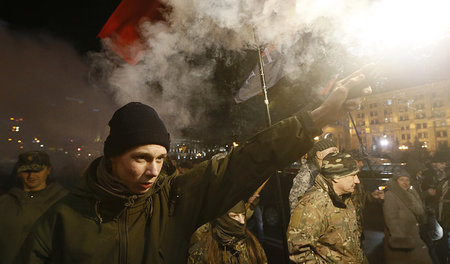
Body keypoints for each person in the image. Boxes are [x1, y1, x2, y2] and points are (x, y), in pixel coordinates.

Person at [16, 64, 374, 263]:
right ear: (112, 157)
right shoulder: (63, 218)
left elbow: (245, 160)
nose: (153, 171)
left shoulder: (173, 200)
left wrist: (312, 120)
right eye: (140, 158)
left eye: (159, 158)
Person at [287, 152, 364, 263]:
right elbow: (300, 253)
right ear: (336, 177)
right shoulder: (312, 205)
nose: (357, 180)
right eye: (353, 175)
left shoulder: (345, 198)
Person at [0, 151, 68, 264]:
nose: (31, 176)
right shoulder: (4, 203)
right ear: (18, 172)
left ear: (48, 170)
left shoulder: (64, 203)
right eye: (26, 171)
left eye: (37, 170)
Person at [187, 198, 267, 263]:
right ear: (223, 218)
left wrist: (252, 205)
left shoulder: (252, 245)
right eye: (235, 216)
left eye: (243, 215)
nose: (242, 221)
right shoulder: (203, 250)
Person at [383, 168, 433, 264]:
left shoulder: (411, 193)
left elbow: (418, 211)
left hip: (413, 236)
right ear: (396, 181)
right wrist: (400, 239)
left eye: (407, 180)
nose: (405, 182)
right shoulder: (391, 195)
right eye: (402, 179)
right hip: (402, 239)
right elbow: (390, 217)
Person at [288, 139, 338, 213]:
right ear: (319, 154)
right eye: (333, 152)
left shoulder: (328, 170)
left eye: (337, 152)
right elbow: (295, 205)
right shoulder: (306, 175)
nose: (337, 155)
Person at [422, 151, 449, 264]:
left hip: (442, 212)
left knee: (442, 236)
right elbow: (423, 191)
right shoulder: (429, 174)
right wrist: (429, 193)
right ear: (435, 163)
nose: (444, 165)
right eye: (441, 163)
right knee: (438, 235)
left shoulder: (444, 176)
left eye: (444, 163)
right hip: (433, 210)